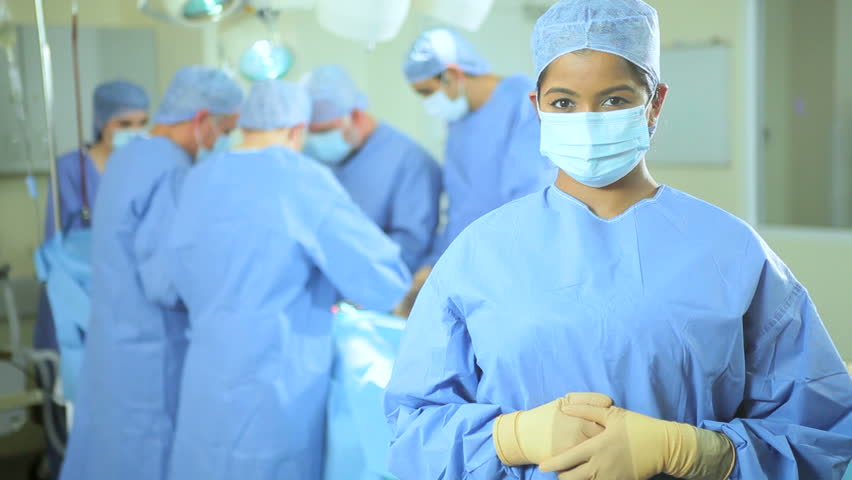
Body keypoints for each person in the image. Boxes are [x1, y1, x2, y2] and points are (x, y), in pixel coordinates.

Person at [384, 1, 852, 479]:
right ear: (537, 108)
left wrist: (696, 451)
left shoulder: (731, 251)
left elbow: (820, 433)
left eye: (614, 100)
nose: (588, 119)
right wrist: (512, 436)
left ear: (655, 103)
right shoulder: (479, 253)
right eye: (564, 102)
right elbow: (414, 431)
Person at [165, 79, 411, 480]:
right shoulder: (299, 178)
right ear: (297, 130)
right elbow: (382, 280)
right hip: (274, 387)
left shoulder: (198, 178)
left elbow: (172, 277)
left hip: (205, 380)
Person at [60, 66, 243, 480]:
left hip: (114, 348)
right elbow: (165, 282)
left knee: (107, 455)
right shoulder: (171, 171)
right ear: (200, 121)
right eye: (225, 130)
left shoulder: (129, 157)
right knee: (147, 458)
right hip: (151, 355)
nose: (225, 142)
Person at [402, 27, 556, 273]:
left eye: (427, 92)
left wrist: (488, 267)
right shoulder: (458, 120)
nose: (427, 102)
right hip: (471, 259)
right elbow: (460, 208)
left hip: (512, 260)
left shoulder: (522, 104)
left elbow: (528, 197)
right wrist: (437, 263)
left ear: (451, 75)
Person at [35, 80, 149, 353]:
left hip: (129, 292)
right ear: (101, 121)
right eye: (124, 124)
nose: (135, 131)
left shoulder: (144, 167)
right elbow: (56, 244)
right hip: (79, 289)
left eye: (142, 122)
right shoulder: (70, 169)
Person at [303, 64, 441, 273]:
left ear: (357, 116)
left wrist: (356, 275)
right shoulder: (310, 154)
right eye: (310, 132)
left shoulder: (409, 160)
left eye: (325, 132)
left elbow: (411, 245)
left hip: (375, 286)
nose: (316, 141)